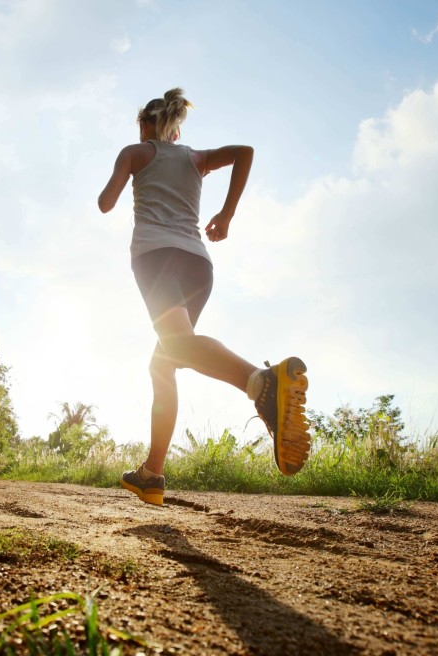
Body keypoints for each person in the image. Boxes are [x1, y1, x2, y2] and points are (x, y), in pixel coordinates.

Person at [97, 88, 310, 506]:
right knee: (165, 362)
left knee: (175, 347)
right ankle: (152, 474)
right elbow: (245, 152)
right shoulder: (195, 158)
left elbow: (106, 203)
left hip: (155, 257)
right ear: (175, 131)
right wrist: (226, 214)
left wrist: (126, 169)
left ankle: (261, 382)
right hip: (197, 263)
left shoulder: (135, 152)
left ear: (146, 126)